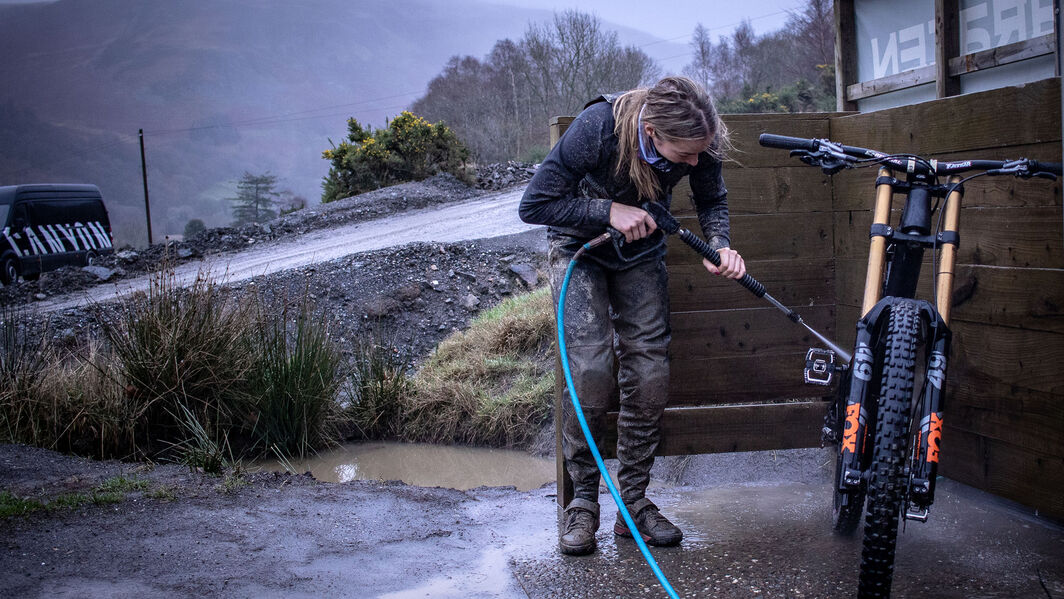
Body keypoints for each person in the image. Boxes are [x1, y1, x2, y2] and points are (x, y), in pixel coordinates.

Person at [518, 76, 746, 556]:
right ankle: (582, 503)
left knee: (649, 371)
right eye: (685, 154)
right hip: (579, 246)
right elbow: (534, 204)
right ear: (652, 131)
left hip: (642, 254)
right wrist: (608, 210)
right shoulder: (598, 128)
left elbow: (712, 198)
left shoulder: (702, 141)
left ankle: (634, 502)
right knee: (591, 371)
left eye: (701, 152)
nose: (695, 162)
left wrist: (720, 244)